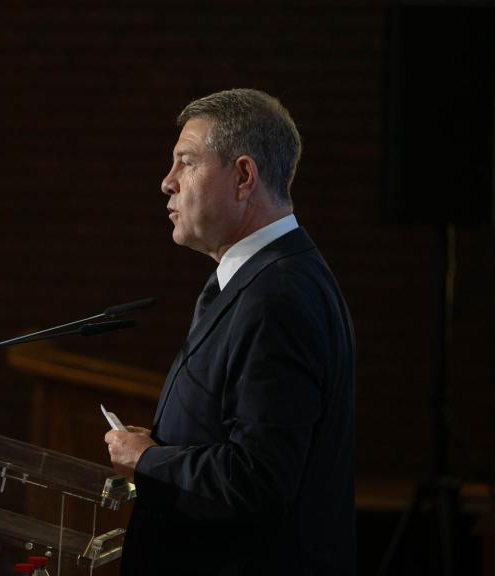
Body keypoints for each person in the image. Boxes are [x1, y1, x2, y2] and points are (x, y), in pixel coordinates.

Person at [103, 89, 356, 575]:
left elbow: (259, 478)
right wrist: (159, 448)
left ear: (243, 177)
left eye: (186, 163)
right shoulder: (266, 278)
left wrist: (150, 462)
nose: (167, 182)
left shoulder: (276, 296)